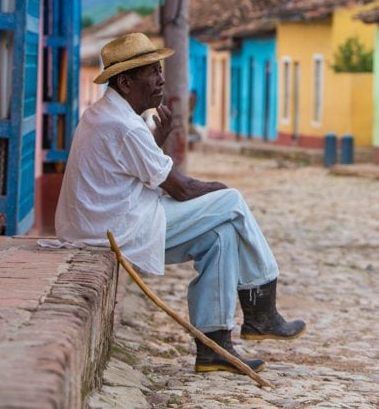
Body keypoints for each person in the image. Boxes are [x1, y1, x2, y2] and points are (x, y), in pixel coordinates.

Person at [51, 32, 305, 374]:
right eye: (152, 73)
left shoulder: (108, 114)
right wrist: (220, 190)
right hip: (113, 231)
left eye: (160, 70)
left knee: (221, 235)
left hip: (108, 222)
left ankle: (214, 346)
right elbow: (181, 190)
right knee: (231, 202)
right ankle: (262, 309)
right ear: (125, 83)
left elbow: (140, 171)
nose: (161, 80)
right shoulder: (123, 124)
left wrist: (159, 139)